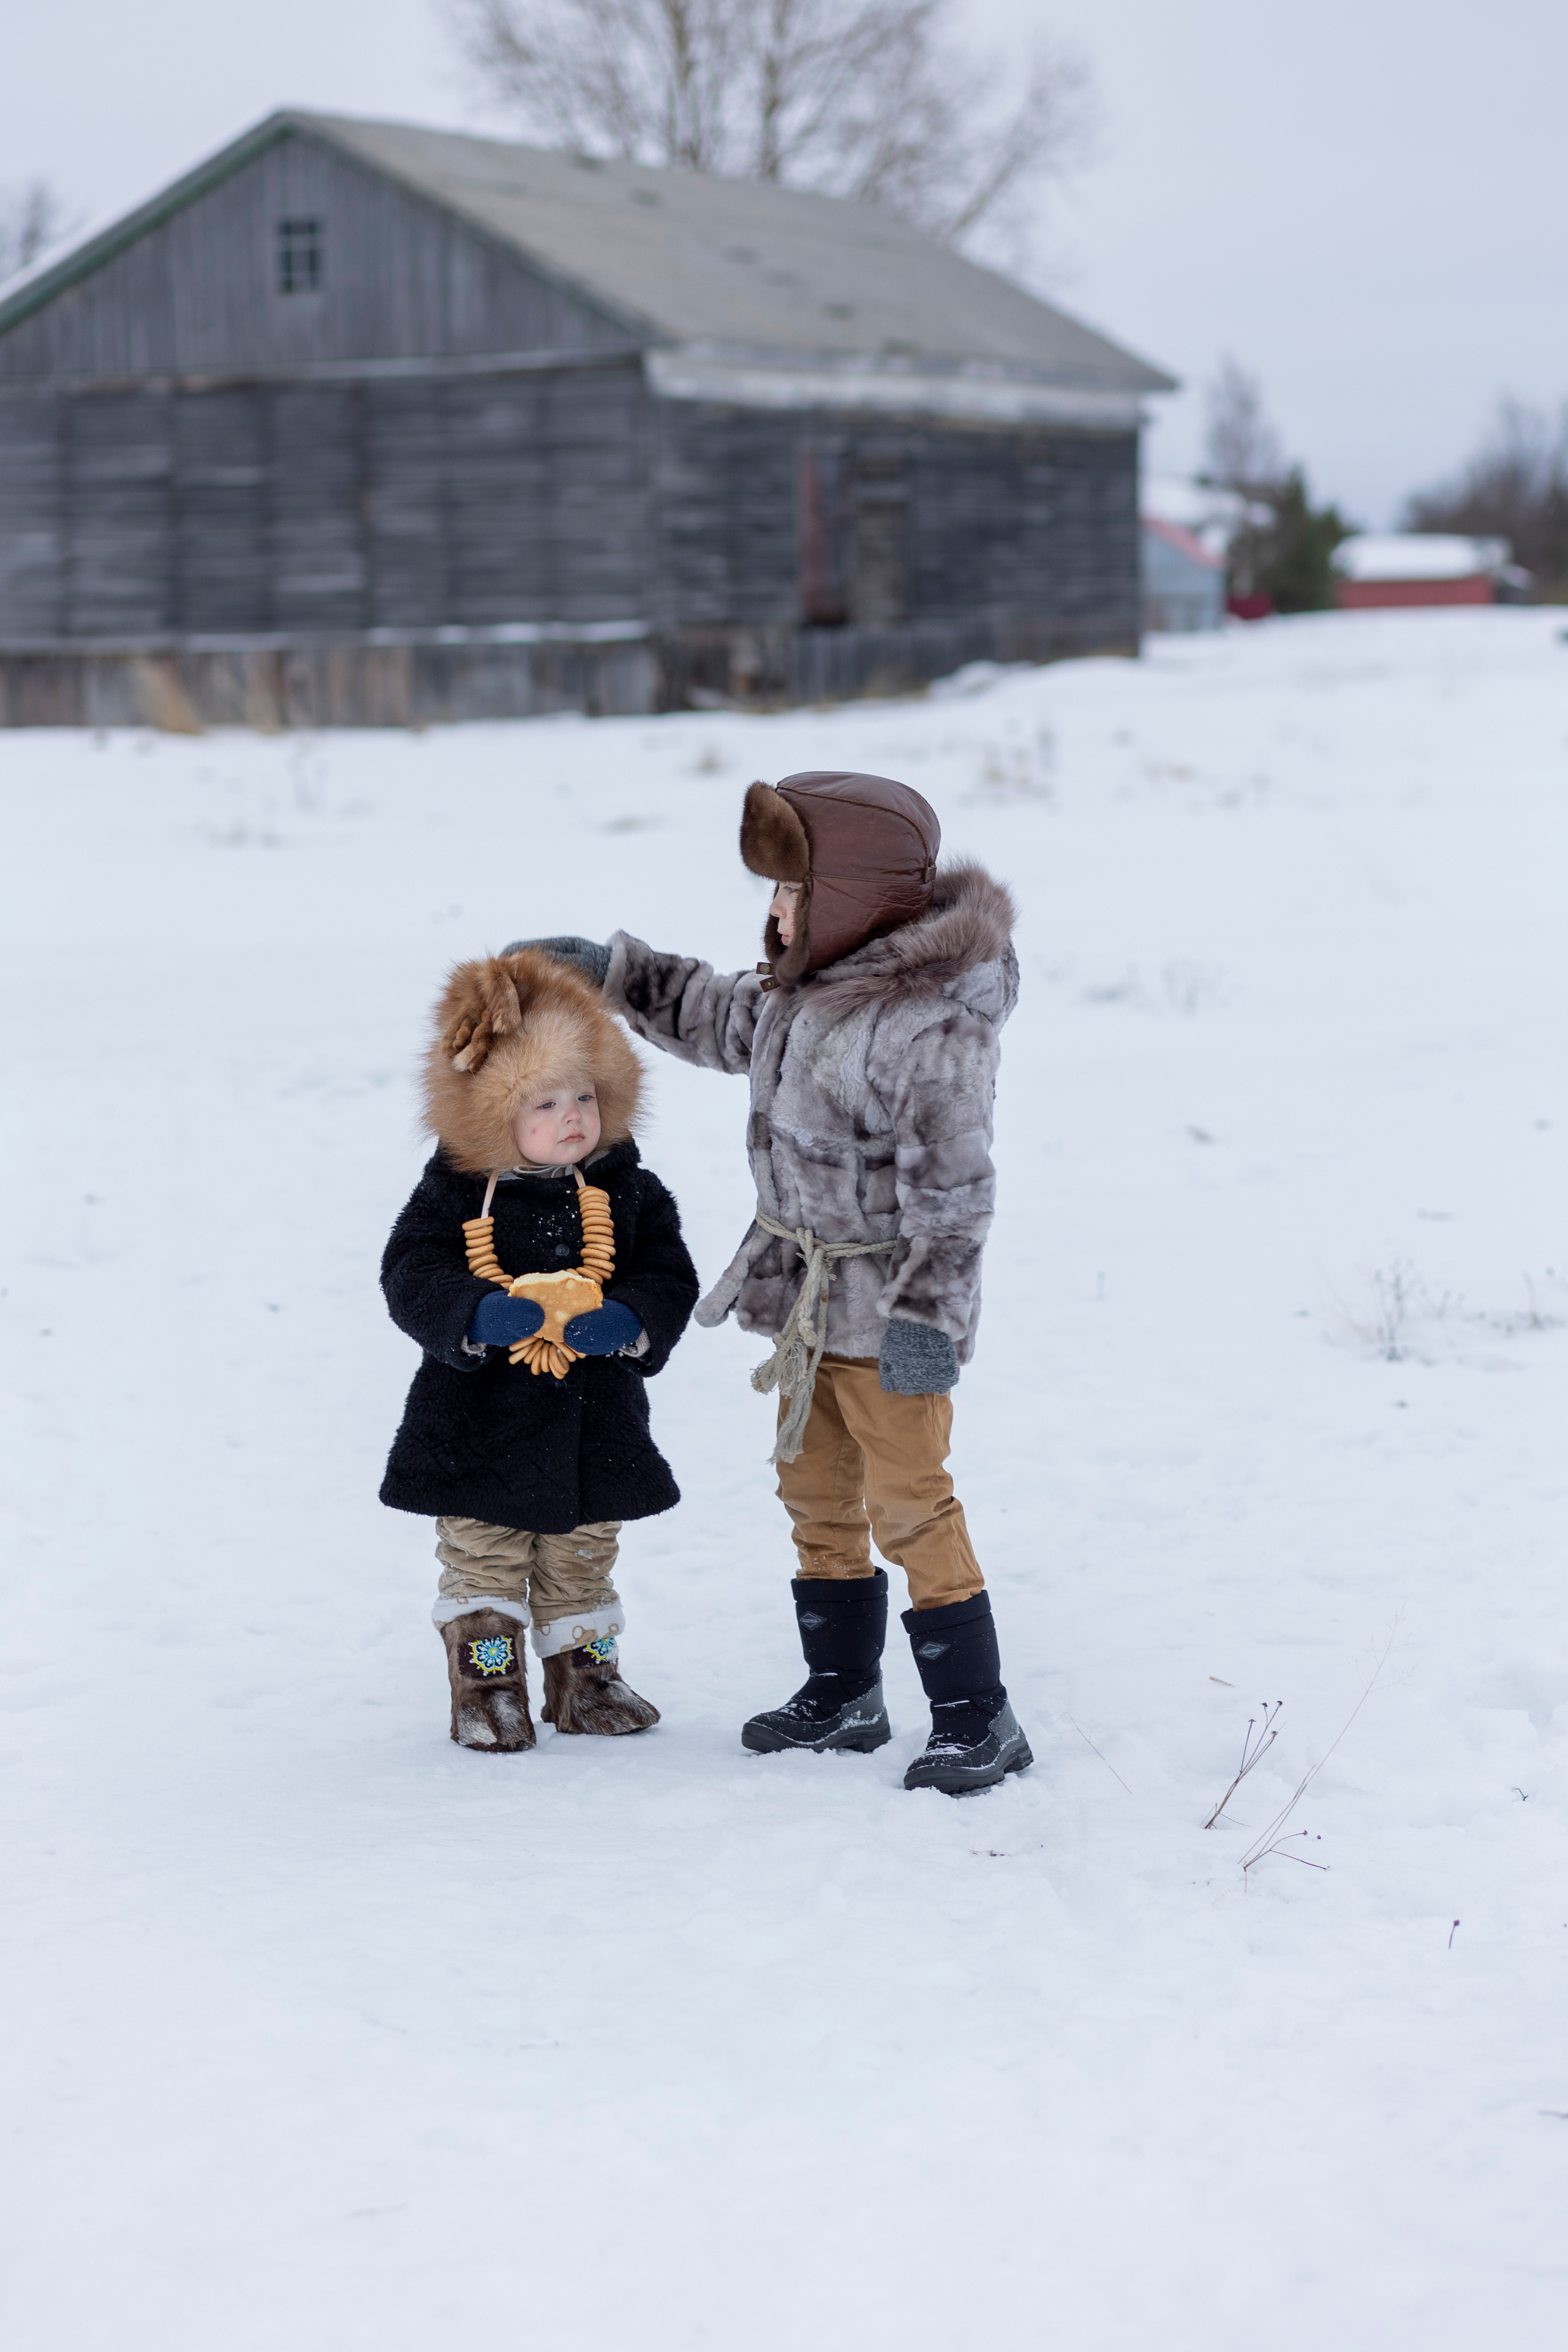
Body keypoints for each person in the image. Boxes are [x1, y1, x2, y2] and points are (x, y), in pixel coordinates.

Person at [446, 770, 1030, 1795]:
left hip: (891, 1313)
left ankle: (977, 1713)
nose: (774, 915)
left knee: (911, 1505)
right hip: (806, 1311)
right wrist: (618, 972)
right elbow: (716, 1015)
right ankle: (841, 1689)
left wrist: (929, 1321)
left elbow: (954, 1193)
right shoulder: (802, 995)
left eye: (793, 895)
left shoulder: (929, 1030)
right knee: (815, 1495)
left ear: (853, 900)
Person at [380, 947, 699, 1752]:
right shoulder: (456, 1192)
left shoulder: (627, 1189)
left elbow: (667, 1270)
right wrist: (475, 1312)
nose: (572, 1118)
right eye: (546, 1101)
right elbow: (411, 1268)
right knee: (484, 1564)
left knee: (583, 1561)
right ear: (493, 1113)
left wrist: (630, 1318)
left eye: (585, 1097)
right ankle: (488, 1683)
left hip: (595, 1422)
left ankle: (587, 1679)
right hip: (477, 1423)